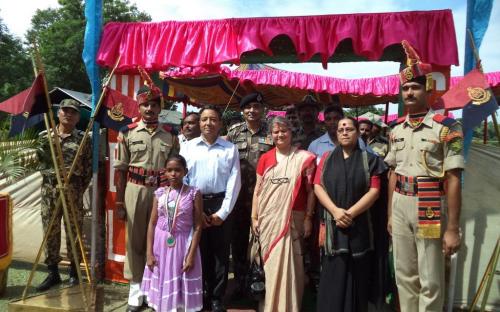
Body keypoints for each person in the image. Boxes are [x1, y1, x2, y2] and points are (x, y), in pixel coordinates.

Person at [385, 41, 464, 312]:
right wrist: (389, 214)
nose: (409, 92)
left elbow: (453, 177)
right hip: (400, 203)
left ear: (427, 89)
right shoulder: (395, 130)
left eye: (415, 87)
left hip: (429, 202)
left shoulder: (447, 128)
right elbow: (392, 173)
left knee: (430, 278)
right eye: (405, 88)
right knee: (405, 275)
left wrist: (452, 228)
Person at [114, 85, 180, 312]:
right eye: (145, 104)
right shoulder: (127, 132)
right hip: (136, 190)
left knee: (161, 240)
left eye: (154, 104)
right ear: (139, 106)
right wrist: (120, 202)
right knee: (135, 239)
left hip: (162, 192)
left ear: (160, 108)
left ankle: (155, 289)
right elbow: (121, 169)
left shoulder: (171, 134)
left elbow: (175, 168)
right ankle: (135, 289)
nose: (149, 108)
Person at [314, 117, 386, 312]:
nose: (345, 132)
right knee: (334, 272)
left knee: (357, 275)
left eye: (349, 129)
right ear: (336, 134)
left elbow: (375, 191)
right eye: (340, 129)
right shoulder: (327, 158)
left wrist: (350, 213)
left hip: (359, 227)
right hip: (333, 225)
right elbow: (317, 186)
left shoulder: (370, 160)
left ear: (357, 132)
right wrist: (336, 212)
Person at [251, 116, 316, 312]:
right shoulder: (265, 158)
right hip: (268, 221)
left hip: (293, 221)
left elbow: (312, 190)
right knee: (270, 267)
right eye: (276, 132)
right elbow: (258, 189)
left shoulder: (304, 158)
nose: (280, 134)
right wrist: (254, 217)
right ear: (271, 135)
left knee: (292, 267)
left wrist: (308, 219)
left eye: (284, 131)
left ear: (291, 133)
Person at [180, 104, 241, 312]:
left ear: (220, 123)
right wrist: (193, 209)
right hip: (194, 203)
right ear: (199, 123)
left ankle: (216, 297)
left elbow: (235, 182)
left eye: (213, 119)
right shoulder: (188, 147)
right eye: (204, 119)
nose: (208, 123)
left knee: (220, 253)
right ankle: (200, 294)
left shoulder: (229, 149)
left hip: (220, 204)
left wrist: (222, 213)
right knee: (197, 251)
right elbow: (184, 178)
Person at [36, 99, 93, 291]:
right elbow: (40, 164)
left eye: (73, 112)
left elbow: (86, 171)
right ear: (58, 113)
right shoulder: (45, 136)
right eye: (65, 111)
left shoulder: (84, 139)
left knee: (74, 232)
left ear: (78, 117)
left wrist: (75, 187)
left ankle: (74, 273)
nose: (69, 114)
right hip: (50, 191)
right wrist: (56, 177)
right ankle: (53, 273)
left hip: (73, 191)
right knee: (50, 231)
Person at [141, 155, 203, 312]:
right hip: (161, 245)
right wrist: (149, 253)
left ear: (185, 172)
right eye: (169, 170)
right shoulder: (160, 193)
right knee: (162, 280)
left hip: (183, 244)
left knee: (181, 281)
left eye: (177, 170)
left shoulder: (193, 193)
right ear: (164, 173)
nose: (173, 174)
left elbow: (197, 225)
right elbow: (152, 223)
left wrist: (191, 255)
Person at [226, 92, 273, 296]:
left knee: (262, 240)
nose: (252, 110)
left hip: (265, 197)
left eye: (256, 107)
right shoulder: (234, 132)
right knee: (238, 240)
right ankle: (240, 281)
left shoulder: (272, 131)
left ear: (262, 110)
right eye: (248, 107)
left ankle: (260, 282)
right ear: (242, 110)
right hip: (239, 197)